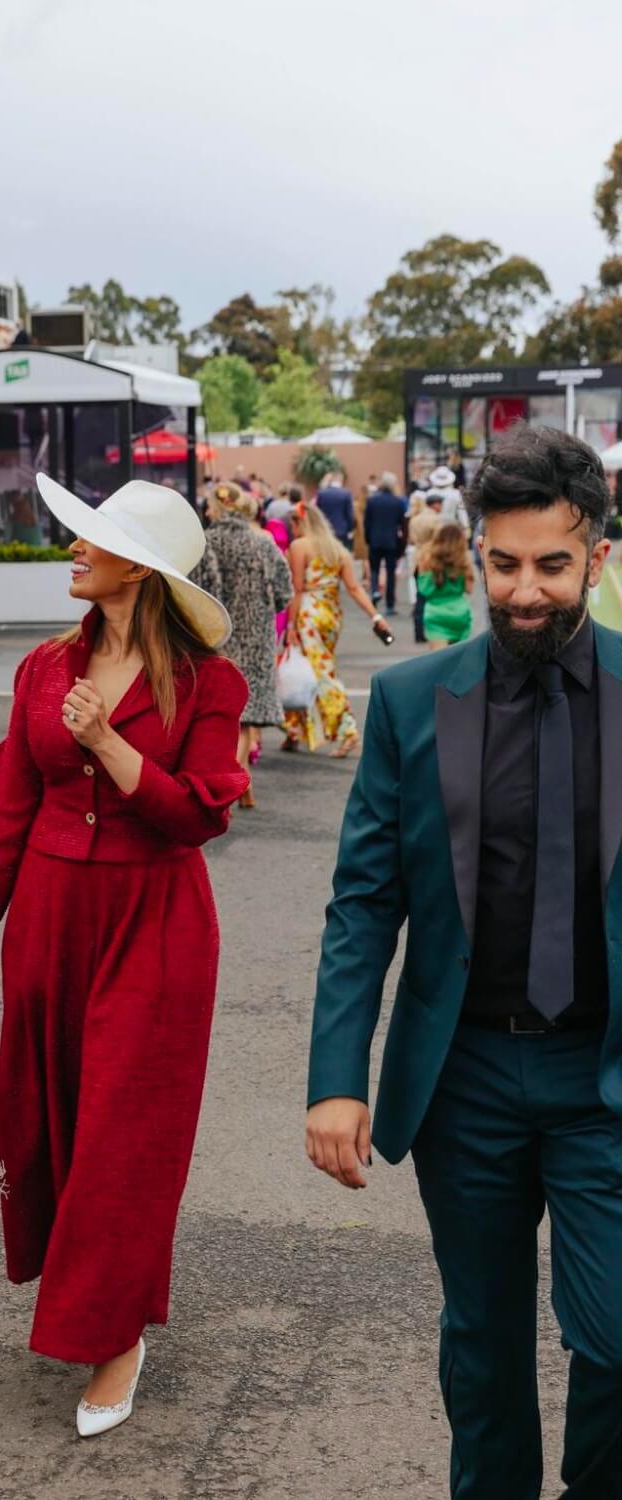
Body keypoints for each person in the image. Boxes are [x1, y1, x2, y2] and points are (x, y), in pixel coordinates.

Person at [305, 423, 622, 1499]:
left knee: (616, 1336)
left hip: (603, 1079)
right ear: (474, 553)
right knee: (480, 1343)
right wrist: (337, 1079)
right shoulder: (408, 703)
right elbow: (364, 903)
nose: (524, 591)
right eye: (502, 564)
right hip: (466, 1078)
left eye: (550, 565)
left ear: (596, 559)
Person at [0, 476, 247, 1438]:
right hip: (47, 913)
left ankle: (115, 1337)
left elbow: (198, 814)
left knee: (126, 1134)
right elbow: (9, 806)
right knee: (52, 1121)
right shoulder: (43, 667)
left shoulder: (210, 684)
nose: (71, 548)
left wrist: (107, 747)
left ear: (141, 567)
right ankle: (93, 1299)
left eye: (92, 538)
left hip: (154, 921)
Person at [192, 481, 292, 807]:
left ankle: (232, 781)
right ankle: (243, 784)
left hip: (218, 639)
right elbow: (283, 593)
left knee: (225, 715)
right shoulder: (263, 545)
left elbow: (196, 594)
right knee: (245, 715)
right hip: (257, 638)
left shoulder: (205, 544)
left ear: (216, 509)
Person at [282, 502, 384, 757]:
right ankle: (294, 731)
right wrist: (375, 616)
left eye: (292, 524)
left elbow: (297, 588)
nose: (291, 530)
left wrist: (291, 625)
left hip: (308, 614)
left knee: (319, 673)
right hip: (331, 615)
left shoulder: (299, 546)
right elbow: (354, 587)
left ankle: (348, 730)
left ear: (301, 523)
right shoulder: (337, 549)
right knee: (309, 668)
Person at [418, 521, 475, 650]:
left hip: (435, 613)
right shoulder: (463, 562)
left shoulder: (426, 559)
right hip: (459, 612)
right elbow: (469, 589)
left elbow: (422, 590)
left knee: (439, 662)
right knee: (458, 659)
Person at [364, 471, 407, 615]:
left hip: (375, 540)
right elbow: (402, 524)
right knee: (390, 573)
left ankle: (375, 590)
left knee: (375, 569)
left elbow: (367, 522)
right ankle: (389, 604)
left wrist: (368, 538)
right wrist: (402, 544)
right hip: (391, 542)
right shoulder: (398, 502)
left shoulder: (372, 500)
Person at [408, 490, 444, 643]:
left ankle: (418, 631)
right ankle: (433, 630)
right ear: (434, 505)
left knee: (420, 596)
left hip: (417, 559)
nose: (441, 506)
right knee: (434, 597)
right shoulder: (436, 520)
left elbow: (412, 539)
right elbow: (440, 541)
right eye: (440, 503)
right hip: (432, 559)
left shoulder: (415, 519)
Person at [315, 472, 355, 549]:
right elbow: (349, 514)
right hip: (342, 530)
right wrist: (350, 529)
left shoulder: (322, 493)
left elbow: (318, 513)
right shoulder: (346, 493)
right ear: (341, 480)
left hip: (326, 530)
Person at [429, 464, 470, 530]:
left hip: (433, 528)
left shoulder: (429, 493)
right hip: (451, 529)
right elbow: (462, 514)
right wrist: (466, 527)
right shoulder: (455, 494)